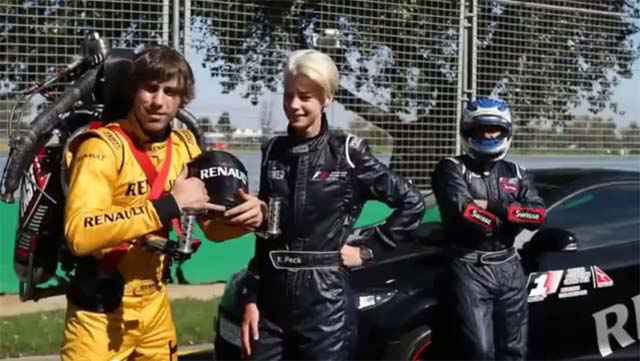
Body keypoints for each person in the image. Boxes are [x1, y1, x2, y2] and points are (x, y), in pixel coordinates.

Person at [62, 45, 264, 360]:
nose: (159, 102)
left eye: (170, 92)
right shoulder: (101, 147)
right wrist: (169, 205)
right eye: (151, 88)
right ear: (133, 90)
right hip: (98, 314)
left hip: (154, 307)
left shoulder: (185, 147)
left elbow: (210, 228)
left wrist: (249, 218)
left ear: (183, 99)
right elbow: (80, 234)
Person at [239, 49, 425, 360]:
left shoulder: (348, 152)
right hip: (271, 302)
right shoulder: (273, 150)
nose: (294, 105)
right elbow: (265, 238)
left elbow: (411, 203)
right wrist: (250, 296)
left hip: (326, 303)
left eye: (305, 96)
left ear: (326, 98)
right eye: (288, 95)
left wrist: (369, 251)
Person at [431, 97, 546, 360]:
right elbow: (467, 213)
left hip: (510, 268)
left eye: (494, 129)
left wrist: (493, 205)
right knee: (480, 352)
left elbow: (538, 215)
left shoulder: (517, 171)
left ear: (506, 131)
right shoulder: (451, 167)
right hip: (470, 268)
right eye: (482, 129)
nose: (489, 135)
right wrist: (511, 214)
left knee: (514, 350)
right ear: (469, 131)